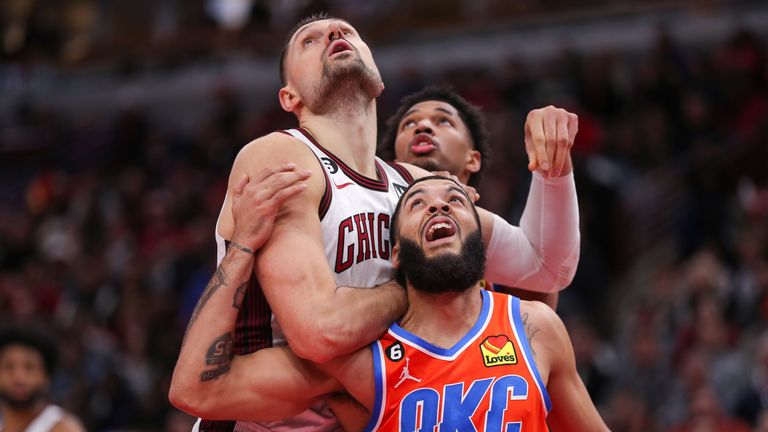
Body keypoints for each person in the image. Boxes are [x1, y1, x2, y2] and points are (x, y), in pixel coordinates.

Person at [186, 12, 579, 431]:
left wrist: (553, 169)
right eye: (309, 41)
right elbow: (320, 332)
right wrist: (425, 287)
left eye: (347, 31)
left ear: (378, 77)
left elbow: (545, 265)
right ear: (289, 97)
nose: (333, 33)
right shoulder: (282, 156)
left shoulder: (414, 187)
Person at [170, 175, 608, 431]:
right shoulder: (363, 362)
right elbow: (195, 389)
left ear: (481, 237)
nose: (438, 208)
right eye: (418, 204)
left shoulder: (535, 328)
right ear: (396, 253)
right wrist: (241, 248)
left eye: (455, 200)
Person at [379, 84, 579, 308]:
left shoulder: (505, 257)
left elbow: (550, 270)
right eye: (409, 123)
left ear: (472, 159)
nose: (422, 126)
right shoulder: (372, 214)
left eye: (443, 121)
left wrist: (552, 160)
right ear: (394, 164)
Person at [0, 325, 85, 432]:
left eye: (29, 367)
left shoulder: (63, 428)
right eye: (8, 367)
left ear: (46, 376)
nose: (19, 378)